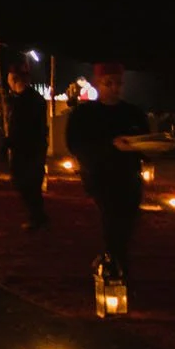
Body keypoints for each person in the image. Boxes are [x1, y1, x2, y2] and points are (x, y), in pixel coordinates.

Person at [66, 62, 150, 284]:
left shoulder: (132, 113)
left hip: (129, 177)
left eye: (118, 83)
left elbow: (145, 144)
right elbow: (76, 144)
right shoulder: (85, 114)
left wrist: (148, 147)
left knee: (127, 223)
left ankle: (113, 260)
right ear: (98, 84)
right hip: (101, 177)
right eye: (109, 83)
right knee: (112, 221)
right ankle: (116, 269)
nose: (115, 88)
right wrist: (110, 146)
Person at [5, 65, 50, 230]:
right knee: (31, 183)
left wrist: (10, 142)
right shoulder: (34, 99)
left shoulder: (24, 101)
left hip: (26, 148)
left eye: (9, 79)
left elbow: (21, 127)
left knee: (25, 182)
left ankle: (37, 217)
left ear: (15, 80)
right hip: (35, 146)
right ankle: (38, 216)